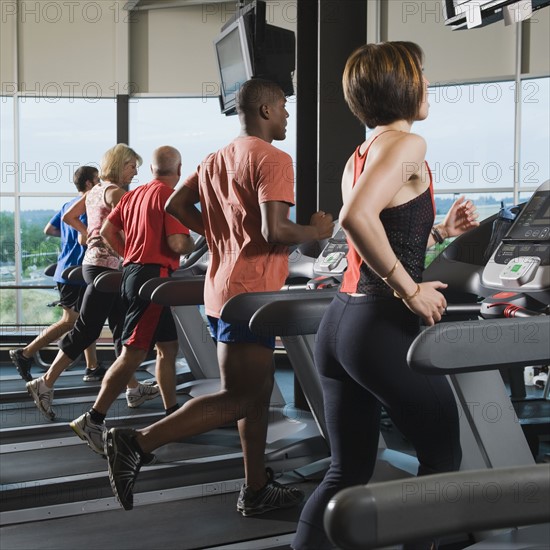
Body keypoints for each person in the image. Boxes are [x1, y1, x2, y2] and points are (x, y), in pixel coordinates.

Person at [101, 78, 334, 514]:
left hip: (222, 289)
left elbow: (176, 207)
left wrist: (217, 231)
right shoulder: (274, 158)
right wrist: (318, 232)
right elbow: (275, 231)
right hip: (251, 296)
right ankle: (136, 442)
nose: (287, 114)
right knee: (243, 396)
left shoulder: (214, 159)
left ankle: (255, 487)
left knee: (256, 390)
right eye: (283, 107)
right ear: (265, 110)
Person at [291, 42, 480, 550]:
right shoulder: (406, 145)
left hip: (341, 327)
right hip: (378, 327)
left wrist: (441, 232)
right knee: (442, 462)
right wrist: (411, 289)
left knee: (346, 470)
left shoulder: (366, 151)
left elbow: (383, 225)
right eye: (420, 73)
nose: (426, 82)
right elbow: (356, 221)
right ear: (402, 84)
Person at [70, 145, 194, 456]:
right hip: (152, 281)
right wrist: (196, 238)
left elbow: (110, 229)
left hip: (136, 275)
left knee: (168, 348)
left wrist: (130, 256)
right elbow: (177, 242)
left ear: (152, 170)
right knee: (133, 354)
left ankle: (172, 413)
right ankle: (94, 418)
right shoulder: (169, 196)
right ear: (178, 170)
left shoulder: (135, 195)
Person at [25, 144, 160, 422]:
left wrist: (89, 234)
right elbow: (140, 224)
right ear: (120, 165)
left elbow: (68, 217)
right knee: (87, 329)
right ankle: (45, 382)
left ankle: (133, 389)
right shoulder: (115, 193)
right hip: (105, 270)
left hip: (97, 265)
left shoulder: (94, 190)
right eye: (132, 165)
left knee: (122, 329)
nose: (135, 171)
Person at [10, 166, 100, 389]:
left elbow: (49, 229)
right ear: (89, 184)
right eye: (98, 180)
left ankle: (93, 367)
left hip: (68, 269)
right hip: (75, 272)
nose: (100, 185)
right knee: (70, 320)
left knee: (85, 319)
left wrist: (68, 238)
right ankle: (25, 353)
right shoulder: (88, 206)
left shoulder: (67, 205)